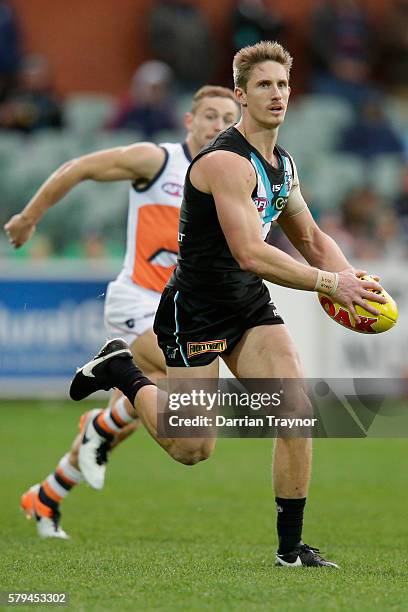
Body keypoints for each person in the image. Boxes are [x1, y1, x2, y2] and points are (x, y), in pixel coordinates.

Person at [66, 41, 388, 568]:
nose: (277, 93)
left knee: (296, 412)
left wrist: (353, 281)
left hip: (248, 308)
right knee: (192, 450)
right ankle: (120, 366)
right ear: (241, 95)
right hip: (193, 310)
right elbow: (250, 252)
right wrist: (331, 285)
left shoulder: (282, 165)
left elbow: (309, 237)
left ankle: (291, 549)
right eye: (264, 84)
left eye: (283, 84)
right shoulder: (223, 161)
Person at [4, 85, 239, 538]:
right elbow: (82, 167)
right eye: (209, 115)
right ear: (189, 122)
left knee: (146, 407)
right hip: (139, 302)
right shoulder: (158, 162)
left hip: (185, 314)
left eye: (228, 118)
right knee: (175, 386)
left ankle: (47, 495)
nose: (218, 125)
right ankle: (111, 390)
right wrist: (30, 216)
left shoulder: (231, 178)